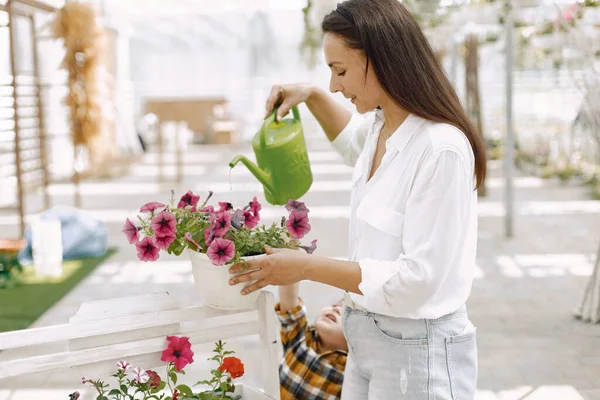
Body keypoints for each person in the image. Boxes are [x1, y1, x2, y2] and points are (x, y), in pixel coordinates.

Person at [228, 0, 486, 398]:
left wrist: (307, 267)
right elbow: (351, 141)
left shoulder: (440, 150)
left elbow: (417, 280)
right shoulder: (383, 127)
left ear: (383, 60)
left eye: (340, 71)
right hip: (367, 339)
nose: (335, 85)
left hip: (417, 353)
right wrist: (312, 95)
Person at [275, 283, 347, 399]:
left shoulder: (350, 368)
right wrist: (291, 271)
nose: (336, 309)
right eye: (335, 305)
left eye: (346, 314)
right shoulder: (301, 336)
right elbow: (288, 300)